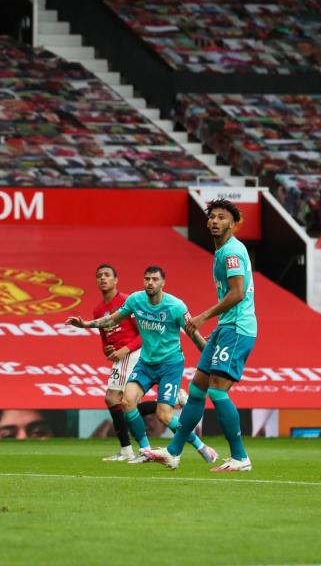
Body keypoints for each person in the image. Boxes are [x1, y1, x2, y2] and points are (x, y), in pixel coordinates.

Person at [144, 200, 257, 472]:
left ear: (232, 223)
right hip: (225, 328)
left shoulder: (231, 252)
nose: (215, 221)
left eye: (222, 217)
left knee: (218, 392)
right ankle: (172, 453)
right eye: (212, 217)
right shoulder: (221, 252)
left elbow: (238, 292)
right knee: (196, 390)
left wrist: (204, 316)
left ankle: (240, 458)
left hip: (237, 328)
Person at [67, 266, 218, 464]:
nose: (150, 283)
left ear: (163, 282)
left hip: (170, 365)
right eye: (147, 279)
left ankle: (201, 446)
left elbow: (194, 335)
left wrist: (211, 360)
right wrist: (85, 324)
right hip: (146, 363)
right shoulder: (135, 301)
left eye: (155, 279)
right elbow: (112, 319)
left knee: (164, 416)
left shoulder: (176, 306)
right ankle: (146, 451)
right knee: (127, 402)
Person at [89, 263, 160, 463]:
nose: (103, 278)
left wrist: (123, 350)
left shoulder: (128, 301)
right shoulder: (98, 311)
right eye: (99, 275)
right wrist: (108, 350)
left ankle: (127, 450)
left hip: (134, 352)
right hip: (120, 356)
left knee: (112, 399)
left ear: (116, 280)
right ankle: (169, 401)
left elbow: (143, 334)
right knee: (127, 403)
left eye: (107, 275)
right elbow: (105, 340)